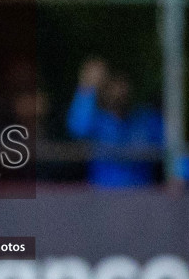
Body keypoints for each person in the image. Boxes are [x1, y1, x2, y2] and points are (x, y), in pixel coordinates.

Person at [65, 57, 164, 187]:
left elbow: (175, 147)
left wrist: (187, 175)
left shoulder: (147, 119)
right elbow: (77, 129)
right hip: (103, 198)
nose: (118, 91)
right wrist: (86, 88)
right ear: (104, 89)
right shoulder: (97, 121)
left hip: (142, 198)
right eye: (113, 85)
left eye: (123, 84)